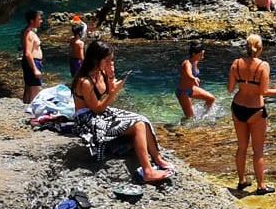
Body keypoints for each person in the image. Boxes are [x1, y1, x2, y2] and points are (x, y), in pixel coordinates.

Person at [71, 41, 172, 181]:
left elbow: (106, 94)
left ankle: (157, 158)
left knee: (142, 118)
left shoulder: (100, 73)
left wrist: (110, 75)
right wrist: (113, 93)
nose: (109, 63)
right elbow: (97, 108)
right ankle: (148, 171)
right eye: (106, 60)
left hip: (101, 112)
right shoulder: (85, 81)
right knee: (138, 125)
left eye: (111, 60)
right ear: (96, 59)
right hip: (87, 118)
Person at [228, 34, 276, 195]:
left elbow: (230, 88)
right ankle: (261, 186)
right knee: (258, 150)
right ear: (260, 49)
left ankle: (241, 181)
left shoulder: (236, 63)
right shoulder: (263, 66)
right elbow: (264, 92)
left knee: (241, 147)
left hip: (238, 106)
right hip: (255, 109)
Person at [177, 42, 217, 118]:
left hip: (192, 89)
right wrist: (194, 78)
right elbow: (189, 74)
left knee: (211, 99)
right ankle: (183, 128)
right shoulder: (187, 63)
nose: (202, 57)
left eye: (203, 54)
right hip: (183, 92)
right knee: (190, 117)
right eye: (200, 55)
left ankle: (203, 116)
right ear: (193, 54)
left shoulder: (195, 61)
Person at [20, 10, 44, 104]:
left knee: (29, 87)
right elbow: (28, 53)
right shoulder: (29, 34)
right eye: (39, 19)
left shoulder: (28, 32)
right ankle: (31, 112)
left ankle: (26, 108)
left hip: (32, 62)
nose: (41, 21)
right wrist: (35, 69)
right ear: (32, 20)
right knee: (35, 89)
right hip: (32, 62)